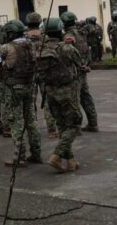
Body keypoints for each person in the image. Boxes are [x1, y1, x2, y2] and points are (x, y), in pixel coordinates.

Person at [37, 18, 83, 172]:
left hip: (50, 92)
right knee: (75, 123)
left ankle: (70, 161)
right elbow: (81, 64)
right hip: (67, 91)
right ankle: (56, 156)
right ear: (60, 30)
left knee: (62, 125)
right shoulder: (67, 48)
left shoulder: (40, 49)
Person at [0, 20, 41, 167]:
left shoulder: (6, 48)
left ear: (10, 33)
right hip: (30, 86)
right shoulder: (31, 45)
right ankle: (36, 153)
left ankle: (19, 157)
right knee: (31, 121)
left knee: (16, 122)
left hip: (14, 89)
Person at [61, 12, 98, 131]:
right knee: (86, 98)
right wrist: (86, 65)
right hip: (83, 70)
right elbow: (87, 50)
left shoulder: (68, 36)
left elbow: (67, 54)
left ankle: (75, 127)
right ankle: (93, 123)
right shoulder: (81, 33)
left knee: (73, 100)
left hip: (73, 72)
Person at [24, 12, 56, 138]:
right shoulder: (45, 37)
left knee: (30, 102)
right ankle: (52, 130)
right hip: (44, 71)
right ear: (39, 22)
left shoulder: (24, 38)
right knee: (48, 100)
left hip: (30, 73)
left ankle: (33, 129)